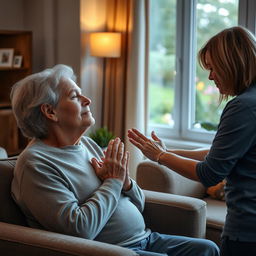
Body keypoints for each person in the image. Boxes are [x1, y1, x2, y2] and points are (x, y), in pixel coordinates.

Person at [10, 64, 219, 256]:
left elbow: (139, 203)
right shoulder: (36, 165)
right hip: (112, 251)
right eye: (75, 96)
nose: (87, 101)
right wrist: (113, 182)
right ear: (50, 111)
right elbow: (79, 229)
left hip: (145, 239)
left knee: (208, 249)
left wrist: (126, 182)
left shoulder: (87, 145)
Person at [127, 26, 256, 256]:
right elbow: (220, 153)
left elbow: (210, 173)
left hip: (247, 231)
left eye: (213, 68)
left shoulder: (243, 107)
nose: (210, 76)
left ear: (231, 64)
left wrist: (160, 156)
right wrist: (168, 150)